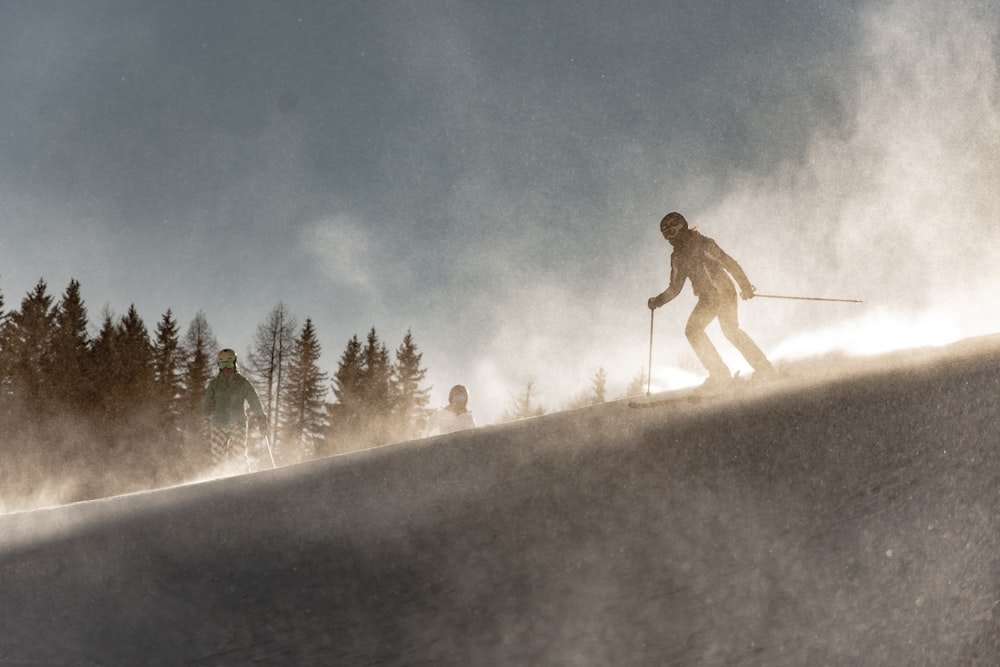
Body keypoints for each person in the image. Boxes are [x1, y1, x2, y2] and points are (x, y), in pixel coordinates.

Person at [647, 212, 776, 392]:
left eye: (671, 231)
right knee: (693, 330)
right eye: (665, 234)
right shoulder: (677, 257)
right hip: (707, 298)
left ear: (680, 226)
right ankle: (720, 374)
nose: (669, 237)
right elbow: (675, 287)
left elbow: (728, 263)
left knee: (729, 331)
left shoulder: (702, 244)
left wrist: (745, 285)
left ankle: (763, 369)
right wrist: (657, 301)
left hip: (723, 292)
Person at [201, 348, 269, 472]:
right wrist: (204, 420)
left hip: (238, 423)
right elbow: (206, 403)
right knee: (218, 458)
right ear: (219, 366)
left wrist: (261, 418)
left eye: (229, 364)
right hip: (218, 424)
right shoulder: (214, 384)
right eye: (222, 364)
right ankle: (218, 482)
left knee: (238, 456)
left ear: (234, 364)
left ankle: (244, 482)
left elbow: (254, 401)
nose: (226, 368)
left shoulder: (242, 383)